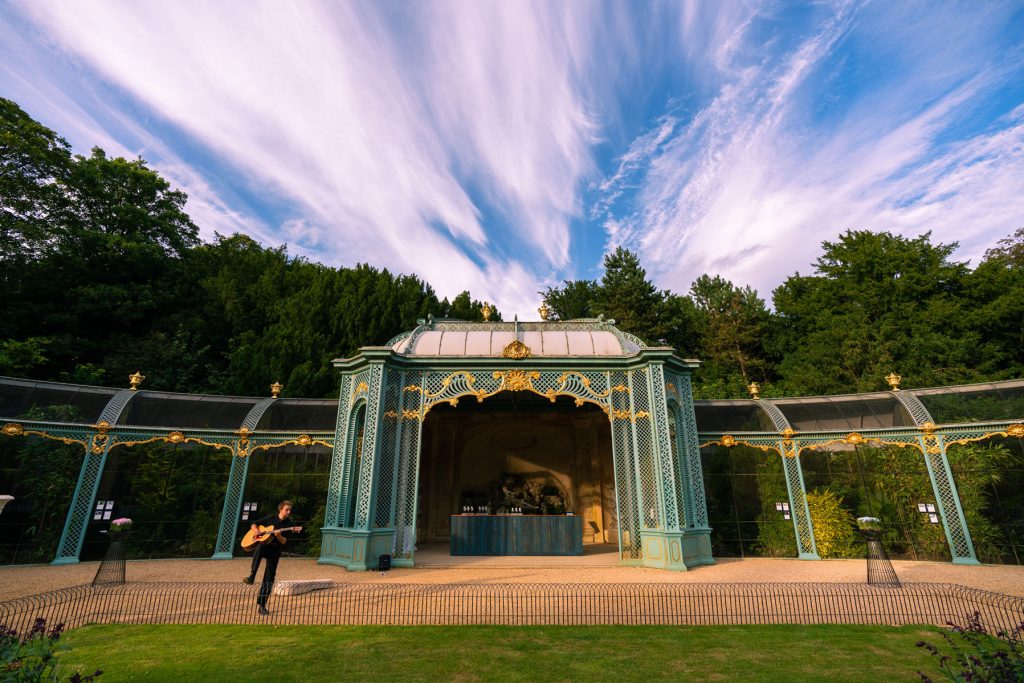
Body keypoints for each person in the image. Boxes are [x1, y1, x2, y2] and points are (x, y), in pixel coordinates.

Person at [242, 500, 301, 615]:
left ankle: (262, 605)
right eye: (286, 509)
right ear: (280, 509)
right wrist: (256, 531)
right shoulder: (271, 518)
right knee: (260, 546)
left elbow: (284, 542)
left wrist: (279, 536)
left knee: (269, 578)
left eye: (290, 510)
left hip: (275, 550)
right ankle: (252, 575)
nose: (288, 512)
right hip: (264, 546)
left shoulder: (289, 524)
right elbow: (254, 523)